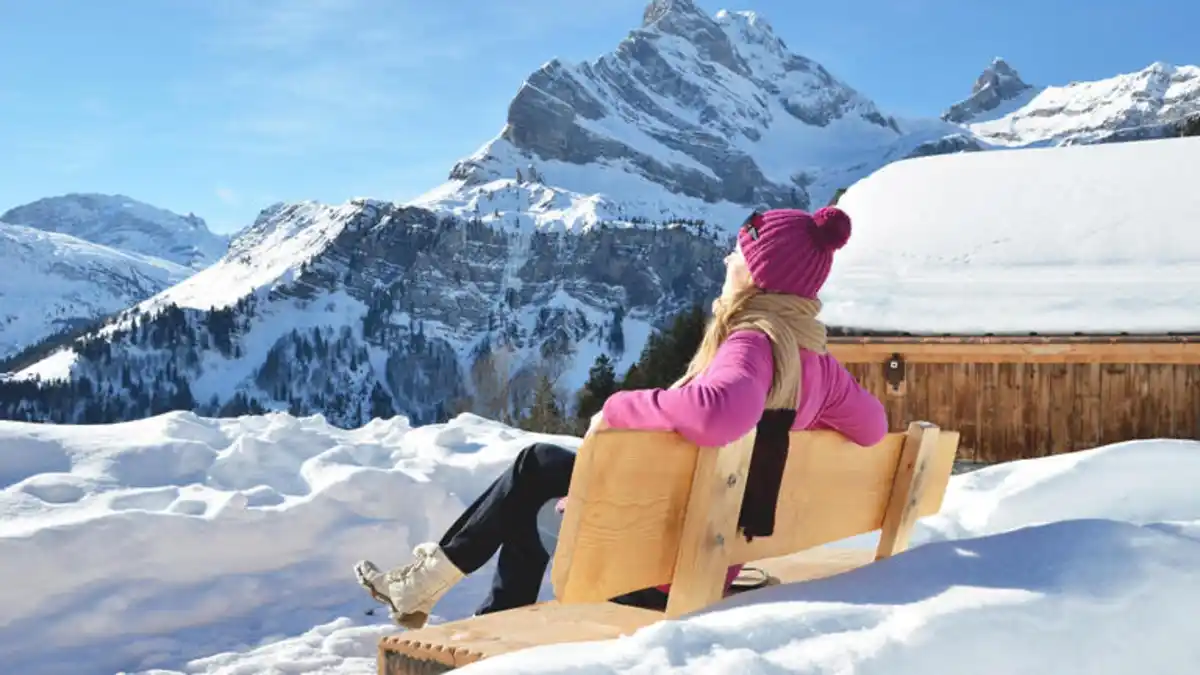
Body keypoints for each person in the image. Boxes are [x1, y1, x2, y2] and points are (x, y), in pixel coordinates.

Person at [354, 207, 889, 628]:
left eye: (739, 254)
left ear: (760, 277)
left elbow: (717, 416)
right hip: (710, 544)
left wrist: (618, 406)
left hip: (661, 568)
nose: (728, 261)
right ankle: (464, 604)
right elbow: (874, 428)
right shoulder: (818, 365)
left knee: (533, 473)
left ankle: (464, 604)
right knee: (537, 475)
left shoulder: (753, 343)